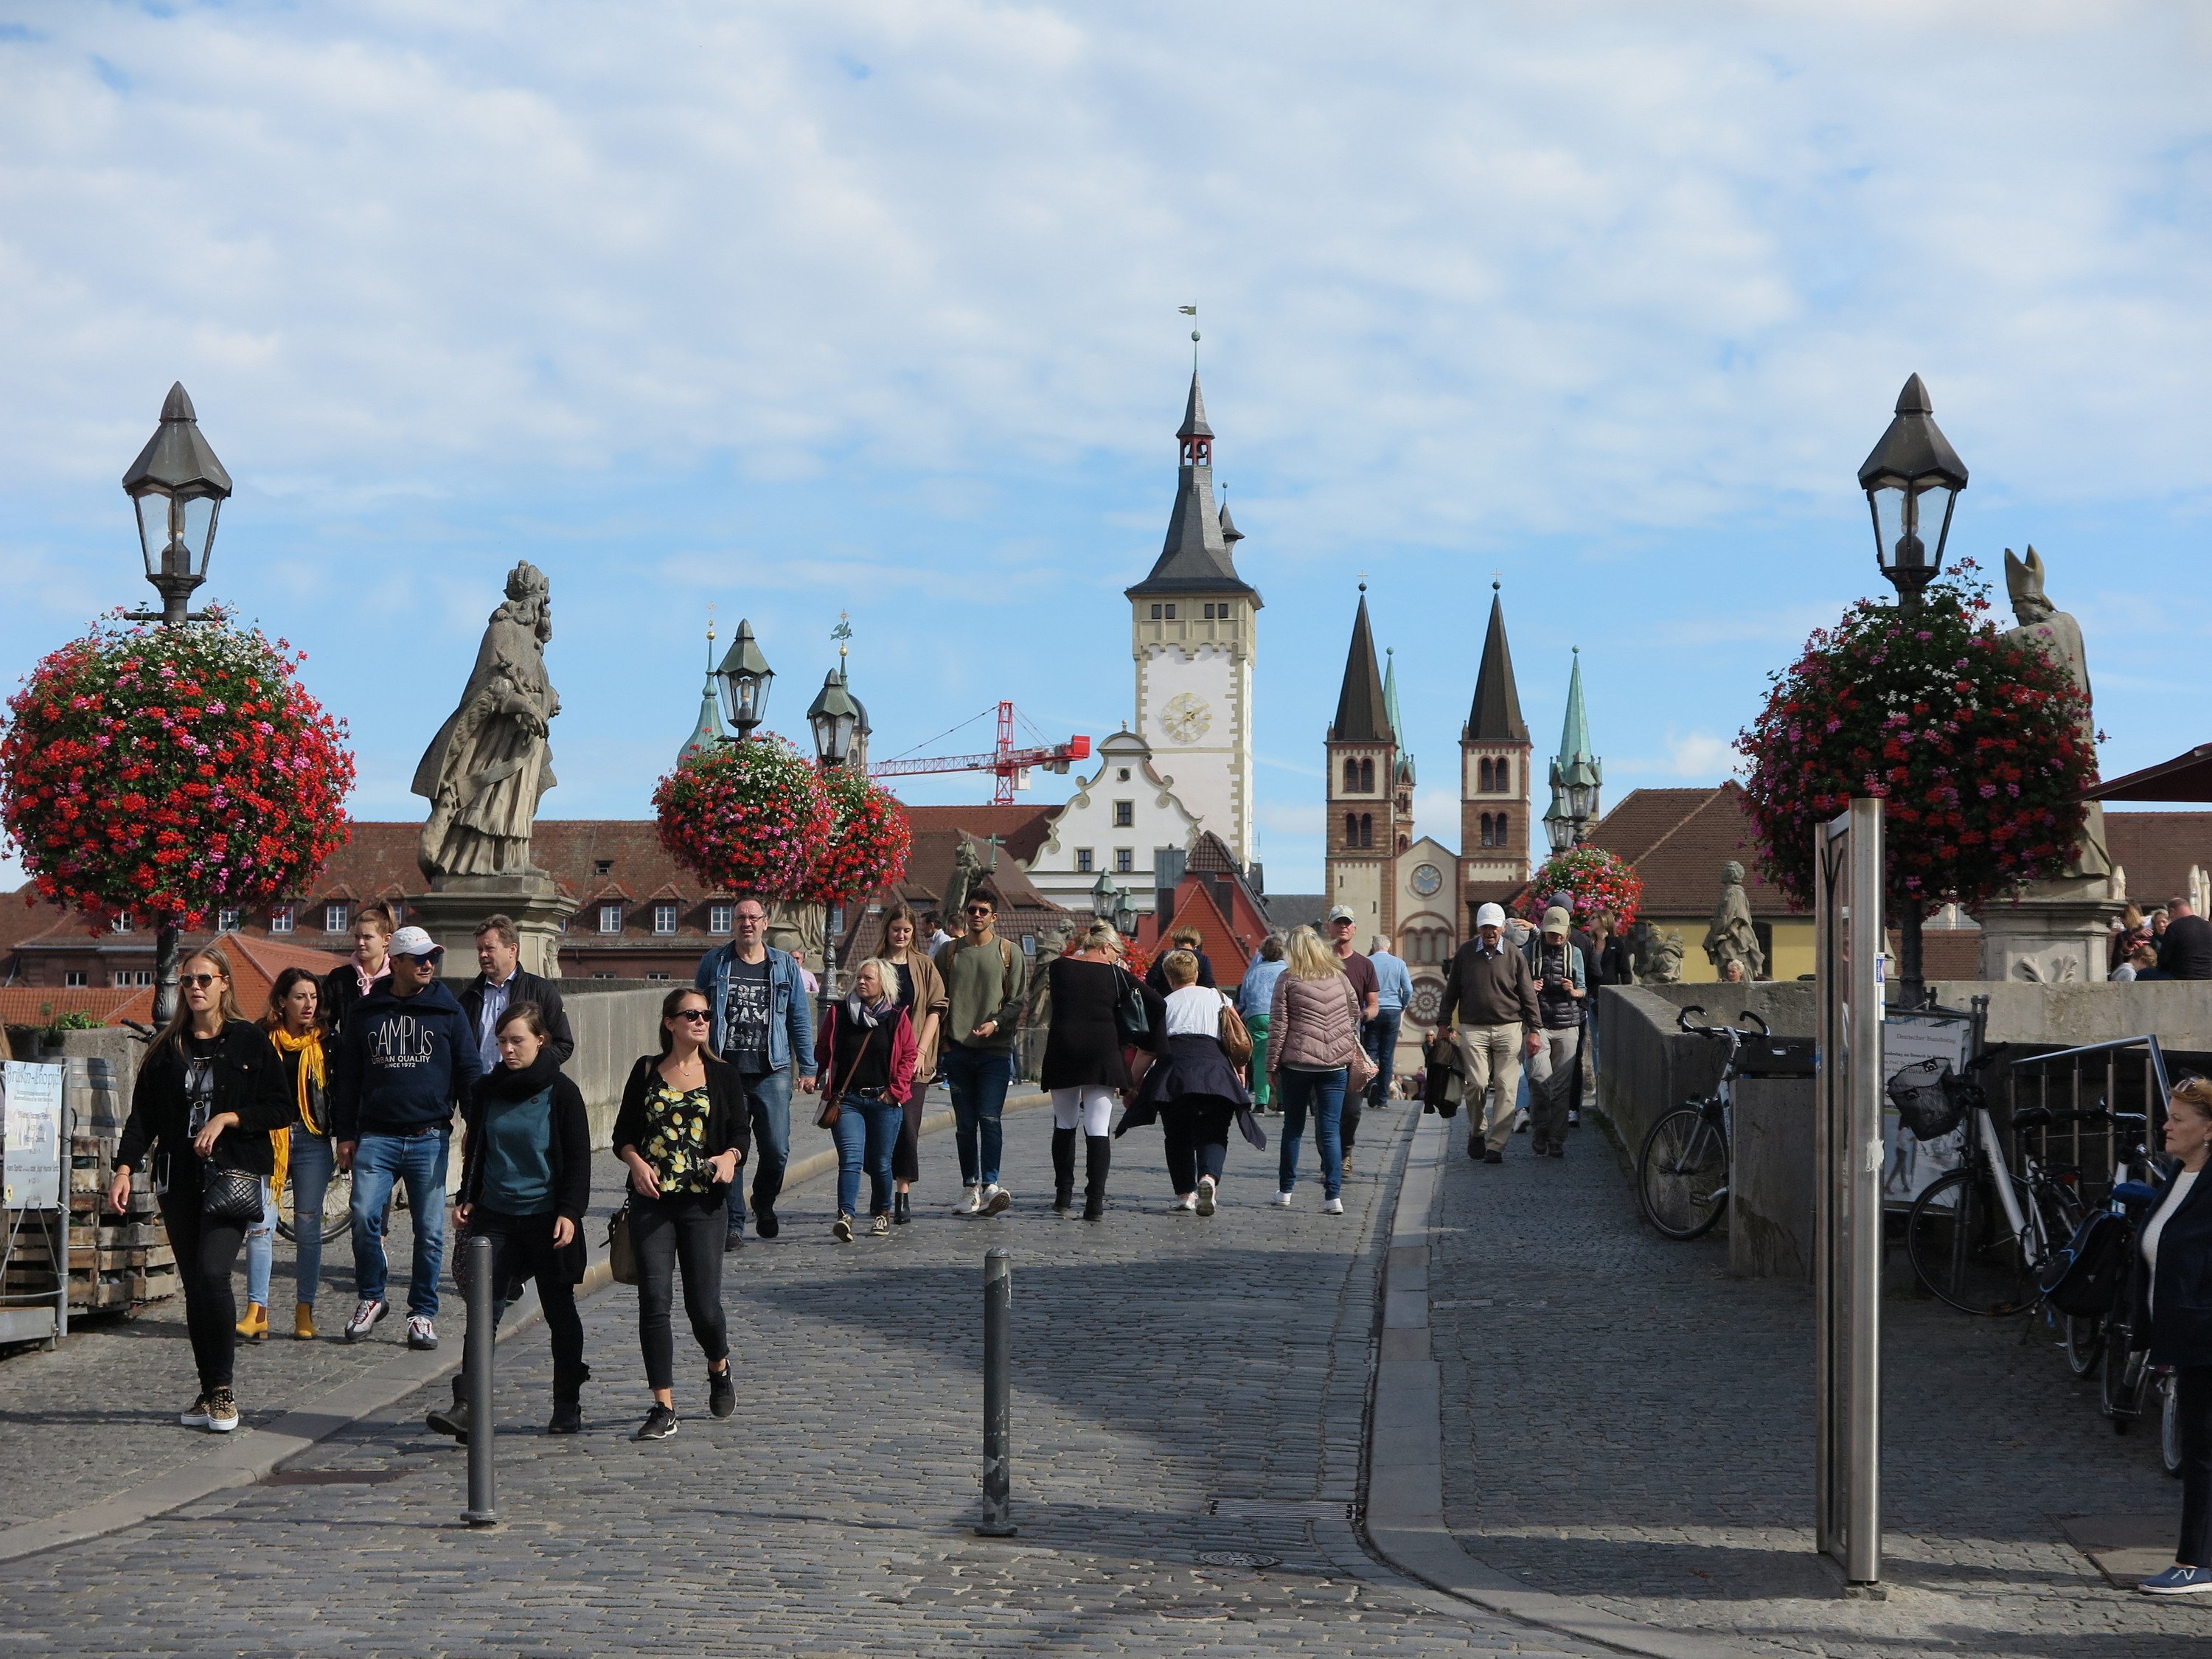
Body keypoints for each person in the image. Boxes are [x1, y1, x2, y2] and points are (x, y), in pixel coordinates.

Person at [110, 947, 291, 1433]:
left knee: (213, 1273)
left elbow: (281, 1108)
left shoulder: (250, 1042)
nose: (195, 988)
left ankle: (225, 1390)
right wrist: (125, 1168)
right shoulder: (168, 1051)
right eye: (187, 980)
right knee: (196, 1285)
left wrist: (231, 1117)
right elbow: (142, 1117)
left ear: (224, 984)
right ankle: (208, 1389)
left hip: (231, 1177)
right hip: (179, 1180)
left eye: (204, 980)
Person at [429, 1001, 592, 1441]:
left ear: (541, 1040)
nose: (507, 1049)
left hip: (547, 1217)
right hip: (497, 1216)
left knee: (561, 1312)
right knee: (484, 1314)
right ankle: (468, 1406)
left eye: (517, 1040)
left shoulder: (562, 1092)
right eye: (501, 1041)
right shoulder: (487, 1091)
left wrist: (570, 1213)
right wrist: (466, 1199)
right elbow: (476, 1152)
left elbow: (578, 1162)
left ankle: (566, 1403)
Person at [332, 925, 482, 1349]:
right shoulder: (366, 1012)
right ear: (394, 963)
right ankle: (372, 1297)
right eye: (418, 959)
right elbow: (349, 1079)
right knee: (362, 1218)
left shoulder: (448, 1011)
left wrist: (474, 1124)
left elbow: (469, 1071)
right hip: (376, 1136)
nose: (428, 965)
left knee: (430, 1232)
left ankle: (423, 1314)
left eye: (431, 957)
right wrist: (346, 1133)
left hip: (429, 1137)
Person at [613, 987, 749, 1441]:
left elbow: (740, 1133)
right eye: (691, 1014)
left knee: (702, 1306)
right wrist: (635, 1164)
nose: (701, 1020)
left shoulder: (723, 1075)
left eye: (706, 1015)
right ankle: (663, 1406)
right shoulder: (647, 1070)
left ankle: (719, 1364)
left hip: (703, 1203)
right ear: (669, 1022)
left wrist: (730, 1157)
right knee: (653, 1301)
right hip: (654, 1203)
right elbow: (623, 1135)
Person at [695, 894, 816, 1248]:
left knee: (776, 1149)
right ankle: (734, 1224)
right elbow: (697, 1014)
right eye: (740, 918)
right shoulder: (714, 962)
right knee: (730, 1149)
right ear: (733, 924)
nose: (746, 923)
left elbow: (799, 1018)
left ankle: (763, 1202)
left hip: (772, 1069)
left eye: (753, 917)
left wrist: (807, 1066)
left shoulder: (783, 966)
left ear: (765, 923)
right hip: (724, 1071)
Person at [2135, 1077, 2212, 1595]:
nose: (2166, 1125)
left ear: (2209, 1131)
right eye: (2168, 1116)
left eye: (2178, 1119)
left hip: (2206, 1334)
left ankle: (2197, 1563)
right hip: (2184, 1333)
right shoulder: (2177, 1174)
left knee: (2203, 1449)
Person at [1124, 949, 1249, 1214]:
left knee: (1177, 1135)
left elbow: (1148, 1051)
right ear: (1197, 973)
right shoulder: (1220, 999)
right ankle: (1208, 1179)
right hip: (1215, 1072)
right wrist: (1240, 1071)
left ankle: (1185, 1194)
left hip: (1175, 1074)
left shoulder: (1163, 1003)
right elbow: (1236, 1039)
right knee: (1215, 1131)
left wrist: (1132, 1084)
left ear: (1169, 977)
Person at [1040, 921, 1148, 1219]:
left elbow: (1075, 961)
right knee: (1097, 1129)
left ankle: (1063, 1197)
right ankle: (1094, 1204)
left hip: (1064, 1051)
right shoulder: (1116, 974)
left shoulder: (1059, 967)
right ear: (1105, 947)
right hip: (1102, 1054)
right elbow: (1151, 1002)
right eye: (1115, 953)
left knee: (1064, 1123)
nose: (1116, 958)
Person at [251, 968, 333, 1342]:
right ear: (282, 1001)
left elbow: (341, 1093)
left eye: (313, 997)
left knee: (308, 1227)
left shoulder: (326, 1044)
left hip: (312, 1140)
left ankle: (305, 1310)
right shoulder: (259, 1039)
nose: (309, 1005)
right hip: (269, 1140)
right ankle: (258, 1312)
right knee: (261, 1225)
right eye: (300, 997)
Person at [934, 889, 1028, 1215]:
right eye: (972, 910)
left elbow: (1018, 1001)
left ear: (994, 917)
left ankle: (990, 1185)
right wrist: (942, 1043)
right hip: (958, 1051)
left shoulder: (1009, 952)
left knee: (990, 1118)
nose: (977, 915)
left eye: (983, 911)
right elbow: (937, 1000)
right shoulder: (948, 952)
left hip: (995, 1051)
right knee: (964, 1124)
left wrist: (996, 1023)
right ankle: (969, 1187)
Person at [815, 959, 919, 1241]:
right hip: (847, 1101)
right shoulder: (839, 1013)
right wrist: (815, 1075)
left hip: (883, 1101)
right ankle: (845, 1216)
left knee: (881, 1162)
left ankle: (882, 1214)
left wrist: (895, 1092)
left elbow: (909, 1056)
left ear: (882, 983)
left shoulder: (897, 1017)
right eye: (859, 978)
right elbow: (824, 1048)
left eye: (868, 978)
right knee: (850, 1159)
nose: (861, 982)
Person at [1268, 927, 1366, 1214]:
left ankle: (1286, 1190)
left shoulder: (1287, 979)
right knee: (1331, 1130)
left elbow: (1279, 1026)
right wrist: (1342, 1044)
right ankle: (1333, 1196)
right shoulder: (1340, 978)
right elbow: (1354, 1014)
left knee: (1293, 1128)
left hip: (1297, 1063)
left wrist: (1272, 1065)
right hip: (1335, 1064)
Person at [1438, 902, 1542, 1164]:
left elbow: (1528, 994)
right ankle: (1477, 1131)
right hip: (1474, 1029)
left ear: (1503, 928)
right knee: (1476, 1085)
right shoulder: (1464, 954)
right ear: (1478, 928)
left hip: (1509, 1028)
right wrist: (1443, 1023)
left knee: (1507, 1089)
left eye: (1494, 927)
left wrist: (1535, 1030)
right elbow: (1451, 992)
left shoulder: (1514, 955)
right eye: (1485, 926)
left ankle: (1496, 1146)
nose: (1489, 932)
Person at [879, 904, 947, 1225]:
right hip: (879, 1059)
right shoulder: (876, 965)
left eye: (907, 931)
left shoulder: (924, 965)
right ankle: (880, 1193)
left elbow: (936, 1008)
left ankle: (902, 1193)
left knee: (908, 1127)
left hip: (915, 1059)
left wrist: (921, 1051)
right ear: (887, 930)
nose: (902, 935)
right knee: (879, 1129)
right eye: (897, 930)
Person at [458, 914, 574, 1077]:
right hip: (481, 1092)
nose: (483, 955)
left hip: (524, 1092)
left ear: (512, 950)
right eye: (480, 950)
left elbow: (563, 1044)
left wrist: (532, 1072)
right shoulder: (469, 997)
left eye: (490, 949)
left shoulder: (541, 991)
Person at [1523, 907, 1587, 1158]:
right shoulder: (1529, 951)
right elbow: (1516, 986)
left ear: (1568, 932)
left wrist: (1574, 992)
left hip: (1568, 1026)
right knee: (1539, 1082)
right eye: (1552, 934)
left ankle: (1556, 1139)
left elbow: (1584, 988)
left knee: (1561, 1088)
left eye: (1561, 934)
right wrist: (1529, 987)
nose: (1557, 938)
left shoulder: (1576, 954)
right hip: (1538, 1026)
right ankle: (1540, 1129)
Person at [1322, 906, 1381, 1173]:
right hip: (1321, 1046)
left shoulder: (1364, 965)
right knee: (1324, 1108)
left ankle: (1346, 1150)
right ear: (1329, 927)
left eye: (1347, 923)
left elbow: (1374, 1004)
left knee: (1352, 1110)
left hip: (1353, 1046)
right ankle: (1329, 1161)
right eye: (1338, 923)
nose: (1342, 927)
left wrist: (1366, 1014)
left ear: (1354, 929)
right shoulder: (1320, 962)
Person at [320, 899, 396, 1053]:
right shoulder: (340, 978)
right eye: (357, 937)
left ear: (386, 940)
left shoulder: (397, 978)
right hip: (350, 1060)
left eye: (367, 937)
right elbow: (323, 1021)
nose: (360, 943)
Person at [1365, 933, 1413, 1116]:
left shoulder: (1367, 962)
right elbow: (1408, 989)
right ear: (1389, 946)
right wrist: (1402, 1003)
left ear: (1373, 945)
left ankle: (1372, 1084)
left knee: (1371, 1053)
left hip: (1373, 1010)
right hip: (1393, 1011)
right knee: (1387, 1056)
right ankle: (1383, 1100)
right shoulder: (1399, 963)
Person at [1239, 935, 1287, 1110]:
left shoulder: (1253, 971)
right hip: (1280, 1017)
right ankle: (1282, 1101)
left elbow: (1243, 1000)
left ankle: (1260, 1102)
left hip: (1257, 1016)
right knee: (1282, 1059)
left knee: (1260, 1061)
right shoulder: (1288, 969)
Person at [1144, 925, 1216, 996]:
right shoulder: (1203, 959)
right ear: (1196, 942)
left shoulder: (1165, 955)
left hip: (1166, 999)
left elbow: (1151, 979)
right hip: (1194, 999)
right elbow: (1209, 984)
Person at [2160, 897, 2212, 981]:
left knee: (2144, 973)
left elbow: (2164, 960)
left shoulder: (2174, 927)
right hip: (2209, 975)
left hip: (2182, 975)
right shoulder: (2209, 926)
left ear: (2172, 911)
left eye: (2170, 916)